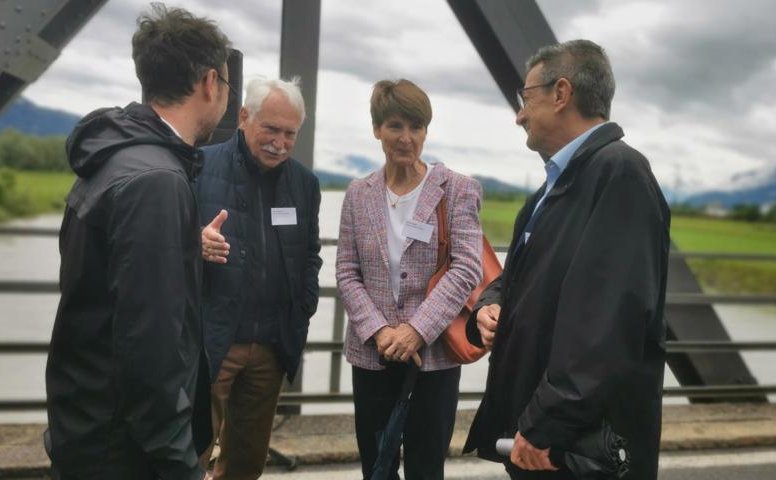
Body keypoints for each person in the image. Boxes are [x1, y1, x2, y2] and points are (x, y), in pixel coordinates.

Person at [463, 40, 670, 480]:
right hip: (541, 436)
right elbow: (517, 278)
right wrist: (487, 307)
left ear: (561, 94)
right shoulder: (551, 190)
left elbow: (609, 323)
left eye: (526, 98)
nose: (519, 114)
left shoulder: (620, 173)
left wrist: (545, 425)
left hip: (572, 445)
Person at [45, 4, 231, 480]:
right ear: (210, 83)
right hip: (124, 453)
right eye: (227, 85)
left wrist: (179, 242)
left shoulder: (116, 158)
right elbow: (152, 351)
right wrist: (178, 463)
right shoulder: (157, 183)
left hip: (86, 425)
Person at [336, 79, 483, 480]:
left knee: (425, 466)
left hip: (432, 357)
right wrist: (380, 331)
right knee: (377, 465)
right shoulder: (358, 193)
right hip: (372, 355)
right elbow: (347, 272)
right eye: (395, 126)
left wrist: (416, 331)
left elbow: (467, 267)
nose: (406, 138)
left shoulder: (456, 189)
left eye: (416, 127)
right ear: (376, 129)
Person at [195, 77, 322, 479]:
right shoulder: (198, 166)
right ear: (244, 117)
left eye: (290, 133)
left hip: (271, 344)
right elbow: (165, 240)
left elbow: (310, 255)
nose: (279, 142)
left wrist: (303, 306)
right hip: (211, 339)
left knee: (247, 462)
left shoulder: (304, 183)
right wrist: (193, 242)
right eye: (271, 128)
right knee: (189, 453)